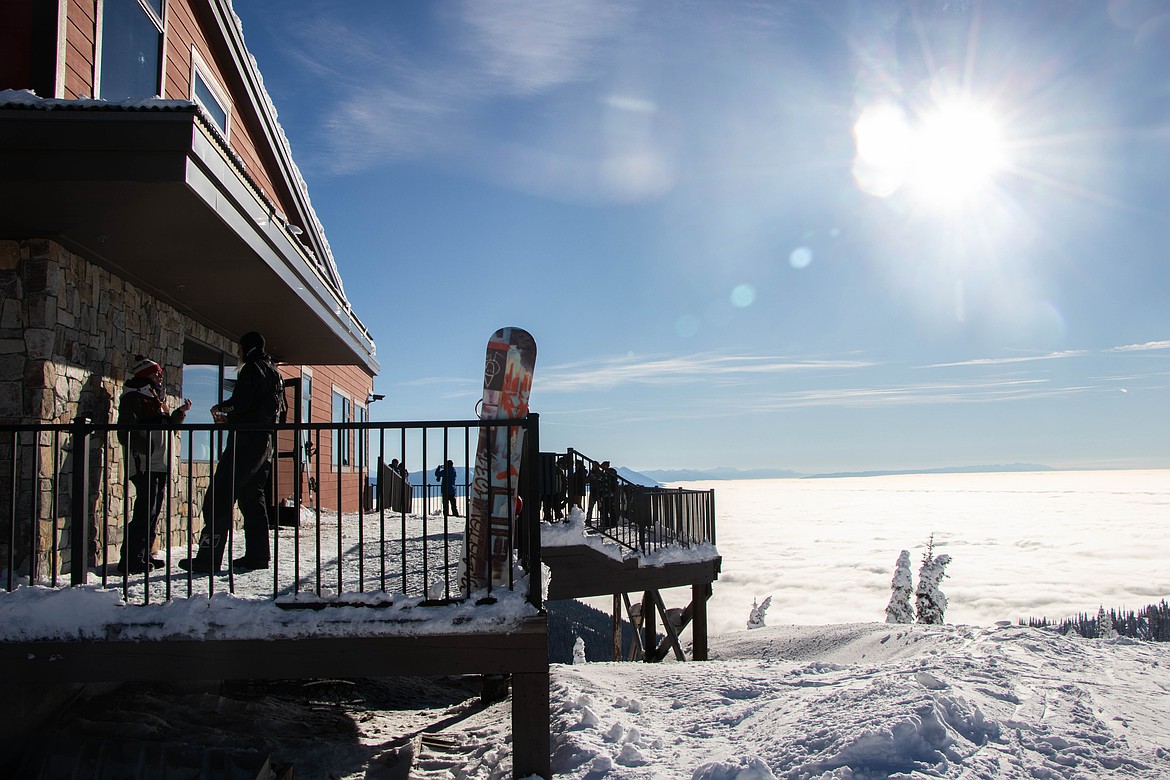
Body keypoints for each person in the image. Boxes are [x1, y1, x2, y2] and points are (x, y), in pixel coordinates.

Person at [180, 331, 283, 574]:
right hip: (265, 442)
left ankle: (208, 558)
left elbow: (243, 402)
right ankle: (258, 556)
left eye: (239, 349)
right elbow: (266, 408)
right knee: (252, 497)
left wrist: (222, 408)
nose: (237, 354)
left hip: (246, 441)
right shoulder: (275, 372)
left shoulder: (252, 368)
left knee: (219, 496)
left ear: (246, 348)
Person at [115, 356, 191, 573]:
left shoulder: (154, 396)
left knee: (153, 511)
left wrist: (179, 414)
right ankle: (131, 558)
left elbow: (164, 426)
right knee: (144, 511)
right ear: (145, 374)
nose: (160, 375)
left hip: (159, 462)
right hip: (145, 463)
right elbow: (126, 431)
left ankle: (144, 554)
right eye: (155, 372)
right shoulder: (134, 397)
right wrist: (145, 448)